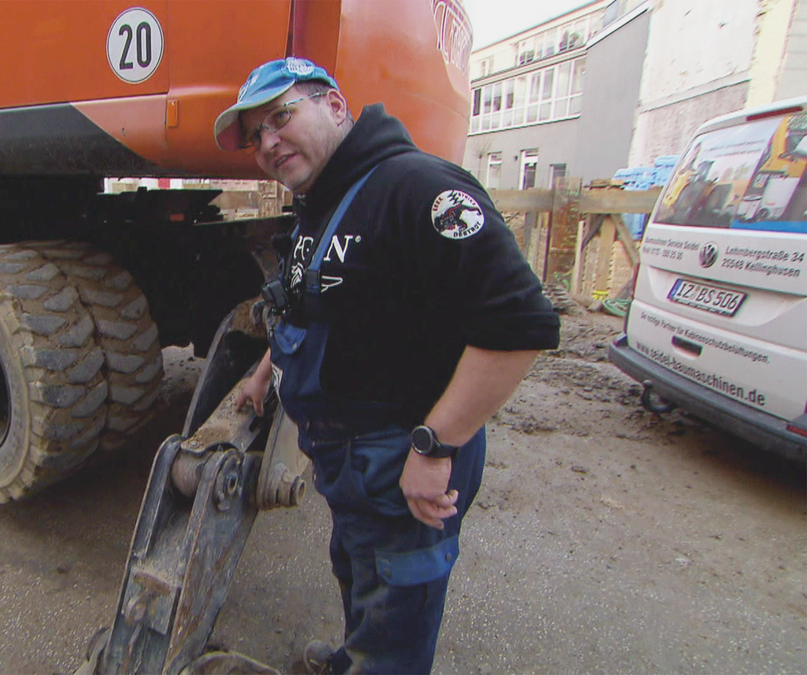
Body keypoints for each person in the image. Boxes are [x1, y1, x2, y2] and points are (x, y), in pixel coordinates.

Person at [214, 58, 561, 674]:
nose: (267, 142)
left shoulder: (417, 188)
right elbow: (313, 307)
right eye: (255, 134)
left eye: (280, 116)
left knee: (399, 608)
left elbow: (519, 325)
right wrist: (267, 368)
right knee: (358, 568)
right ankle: (355, 657)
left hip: (405, 457)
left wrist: (433, 447)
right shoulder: (323, 202)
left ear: (336, 106)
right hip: (349, 461)